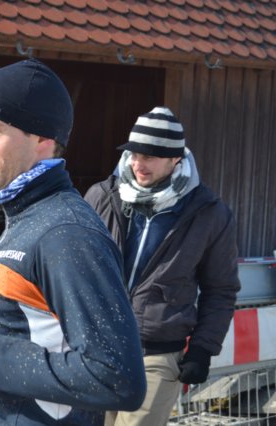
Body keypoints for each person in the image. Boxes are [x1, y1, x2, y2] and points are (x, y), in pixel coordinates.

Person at [0, 58, 146, 425]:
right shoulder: (28, 217)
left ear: (42, 139)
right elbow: (44, 342)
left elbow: (116, 378)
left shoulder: (65, 232)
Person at [84, 107, 241, 426]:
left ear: (175, 159)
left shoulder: (209, 213)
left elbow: (220, 289)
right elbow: (74, 268)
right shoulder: (102, 196)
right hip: (96, 346)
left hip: (156, 354)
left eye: (150, 156)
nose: (138, 164)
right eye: (134, 154)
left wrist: (202, 349)